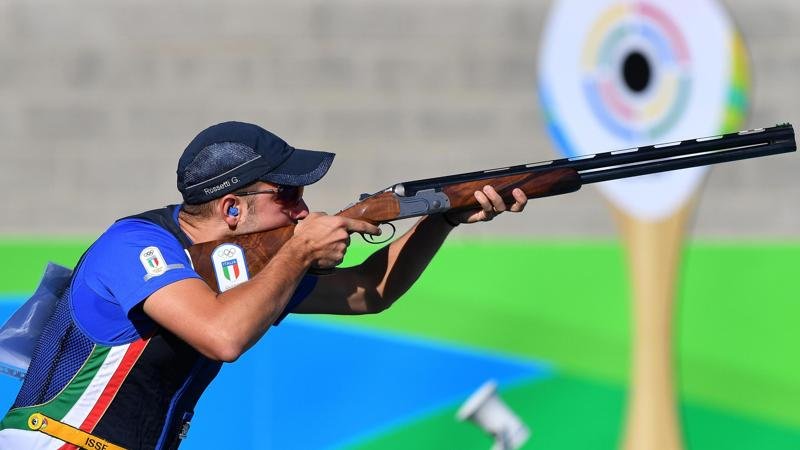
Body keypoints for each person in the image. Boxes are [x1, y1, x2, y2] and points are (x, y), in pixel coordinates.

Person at [0, 121, 527, 449]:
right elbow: (221, 335)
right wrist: (298, 253)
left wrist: (442, 217)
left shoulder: (241, 269)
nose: (302, 208)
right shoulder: (133, 244)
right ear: (231, 208)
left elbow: (370, 292)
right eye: (287, 194)